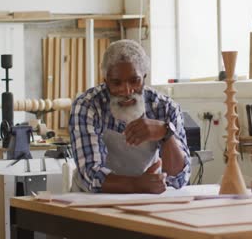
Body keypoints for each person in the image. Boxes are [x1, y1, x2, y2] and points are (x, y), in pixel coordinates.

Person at [69, 39, 190, 193]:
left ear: (144, 77)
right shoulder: (88, 106)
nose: (126, 91)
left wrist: (166, 133)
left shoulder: (164, 108)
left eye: (134, 81)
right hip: (90, 202)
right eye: (116, 83)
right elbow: (92, 176)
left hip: (144, 199)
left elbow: (179, 178)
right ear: (105, 81)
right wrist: (136, 185)